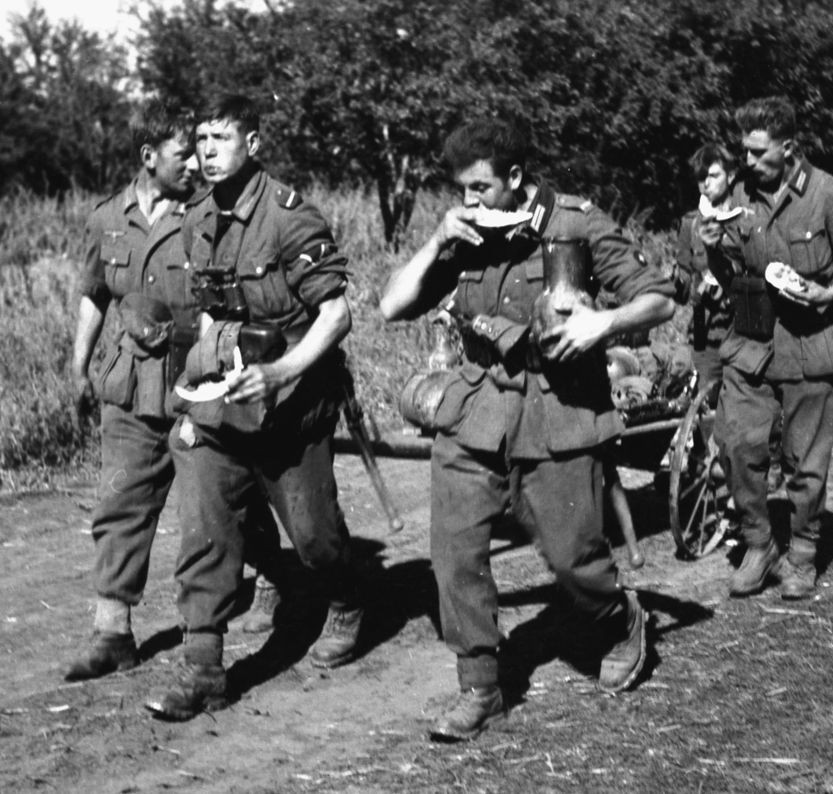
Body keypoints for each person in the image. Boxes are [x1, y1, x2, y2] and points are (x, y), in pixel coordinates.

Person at [379, 118, 674, 741]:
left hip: (557, 407)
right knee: (455, 553)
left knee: (573, 560)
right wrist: (436, 239)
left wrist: (602, 324)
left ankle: (620, 618)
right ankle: (480, 685)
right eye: (461, 189)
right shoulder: (465, 231)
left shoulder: (576, 222)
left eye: (481, 187)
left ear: (515, 177)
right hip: (476, 407)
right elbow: (392, 305)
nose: (470, 200)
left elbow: (660, 299)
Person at [145, 94, 363, 721]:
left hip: (292, 401)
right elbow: (210, 309)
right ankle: (203, 669)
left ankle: (345, 598)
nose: (208, 152)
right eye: (201, 140)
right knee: (205, 530)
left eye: (222, 138)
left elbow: (336, 315)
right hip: (226, 401)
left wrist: (279, 372)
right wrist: (201, 382)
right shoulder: (196, 217)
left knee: (314, 537)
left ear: (254, 144)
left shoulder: (290, 217)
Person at [64, 101, 281, 681]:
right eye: (183, 153)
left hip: (198, 377)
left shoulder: (210, 215)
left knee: (223, 495)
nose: (196, 162)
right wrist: (78, 366)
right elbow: (93, 294)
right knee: (122, 501)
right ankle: (112, 632)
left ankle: (269, 581)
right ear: (148, 157)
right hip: (132, 381)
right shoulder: (107, 218)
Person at [699, 96, 833, 598]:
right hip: (752, 342)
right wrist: (712, 246)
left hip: (811, 343)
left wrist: (827, 293)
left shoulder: (828, 194)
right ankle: (759, 544)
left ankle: (801, 551)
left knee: (805, 462)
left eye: (759, 152)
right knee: (735, 445)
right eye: (745, 151)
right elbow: (727, 271)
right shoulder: (738, 195)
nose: (748, 161)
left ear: (789, 148)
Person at [675, 144, 740, 393]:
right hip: (704, 328)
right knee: (704, 399)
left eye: (713, 176)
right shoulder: (690, 224)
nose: (706, 184)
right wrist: (674, 284)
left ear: (730, 176)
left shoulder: (746, 216)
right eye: (701, 178)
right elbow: (683, 277)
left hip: (742, 326)